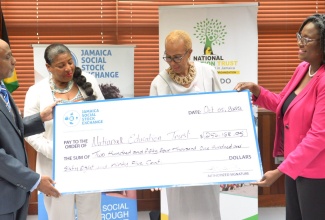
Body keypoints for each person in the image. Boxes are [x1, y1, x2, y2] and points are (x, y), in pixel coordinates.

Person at [235, 14, 325, 220]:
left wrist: (280, 170)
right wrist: (257, 91)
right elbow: (283, 104)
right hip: (295, 166)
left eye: (307, 39)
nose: (300, 43)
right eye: (299, 36)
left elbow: (319, 135)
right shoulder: (303, 69)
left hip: (317, 173)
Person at [24, 43, 104, 220]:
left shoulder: (89, 81)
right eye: (61, 65)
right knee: (60, 216)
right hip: (55, 168)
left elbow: (104, 117)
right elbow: (30, 131)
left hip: (88, 163)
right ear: (48, 67)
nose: (68, 68)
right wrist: (55, 151)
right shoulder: (36, 92)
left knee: (92, 215)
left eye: (70, 62)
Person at [149, 30, 222, 220]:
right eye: (168, 58)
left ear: (190, 53)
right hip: (177, 159)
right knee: (180, 209)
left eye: (177, 57)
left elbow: (222, 113)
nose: (172, 63)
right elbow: (154, 126)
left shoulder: (208, 73)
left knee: (209, 208)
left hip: (206, 156)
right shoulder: (159, 83)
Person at [0, 39, 60, 220]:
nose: (15, 61)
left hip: (15, 194)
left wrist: (40, 119)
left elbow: (9, 132)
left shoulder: (3, 89)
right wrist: (34, 181)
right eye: (8, 56)